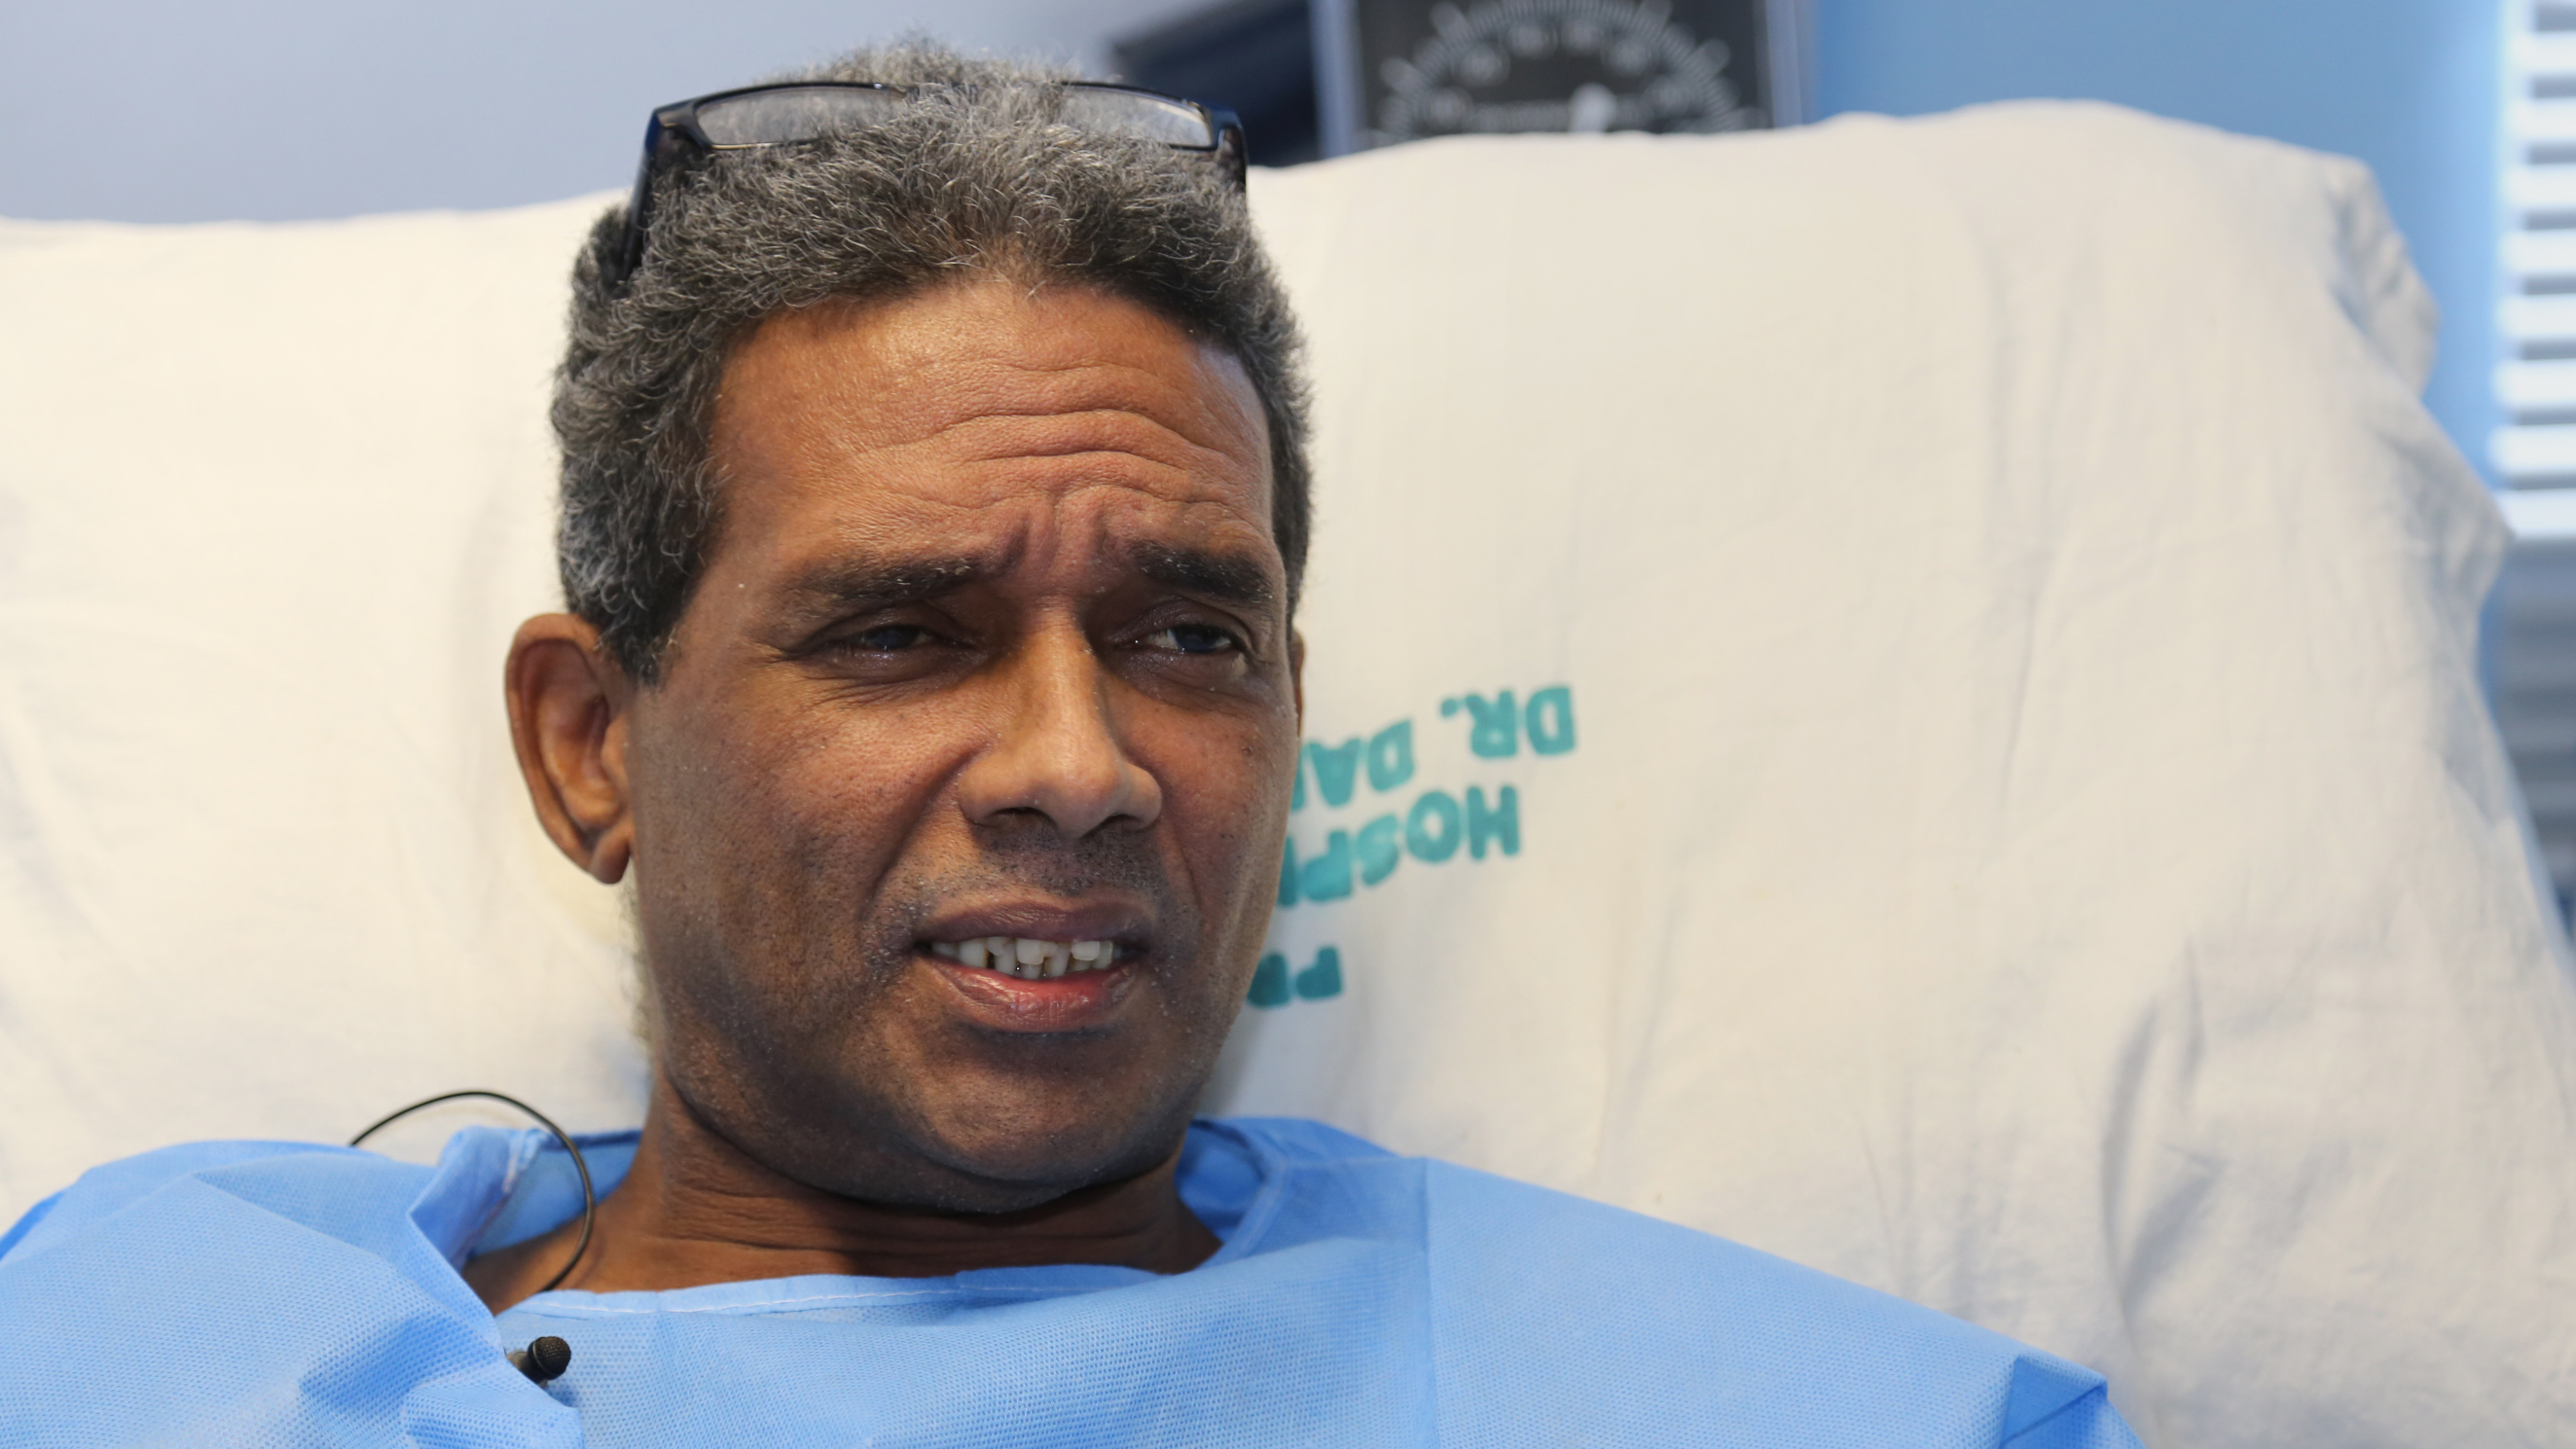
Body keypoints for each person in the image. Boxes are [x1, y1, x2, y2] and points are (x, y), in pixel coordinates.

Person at [0, 43, 2142, 1448]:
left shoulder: (1748, 1403)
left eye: (1190, 635)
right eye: (902, 633)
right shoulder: (143, 1314)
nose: (1081, 762)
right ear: (591, 749)